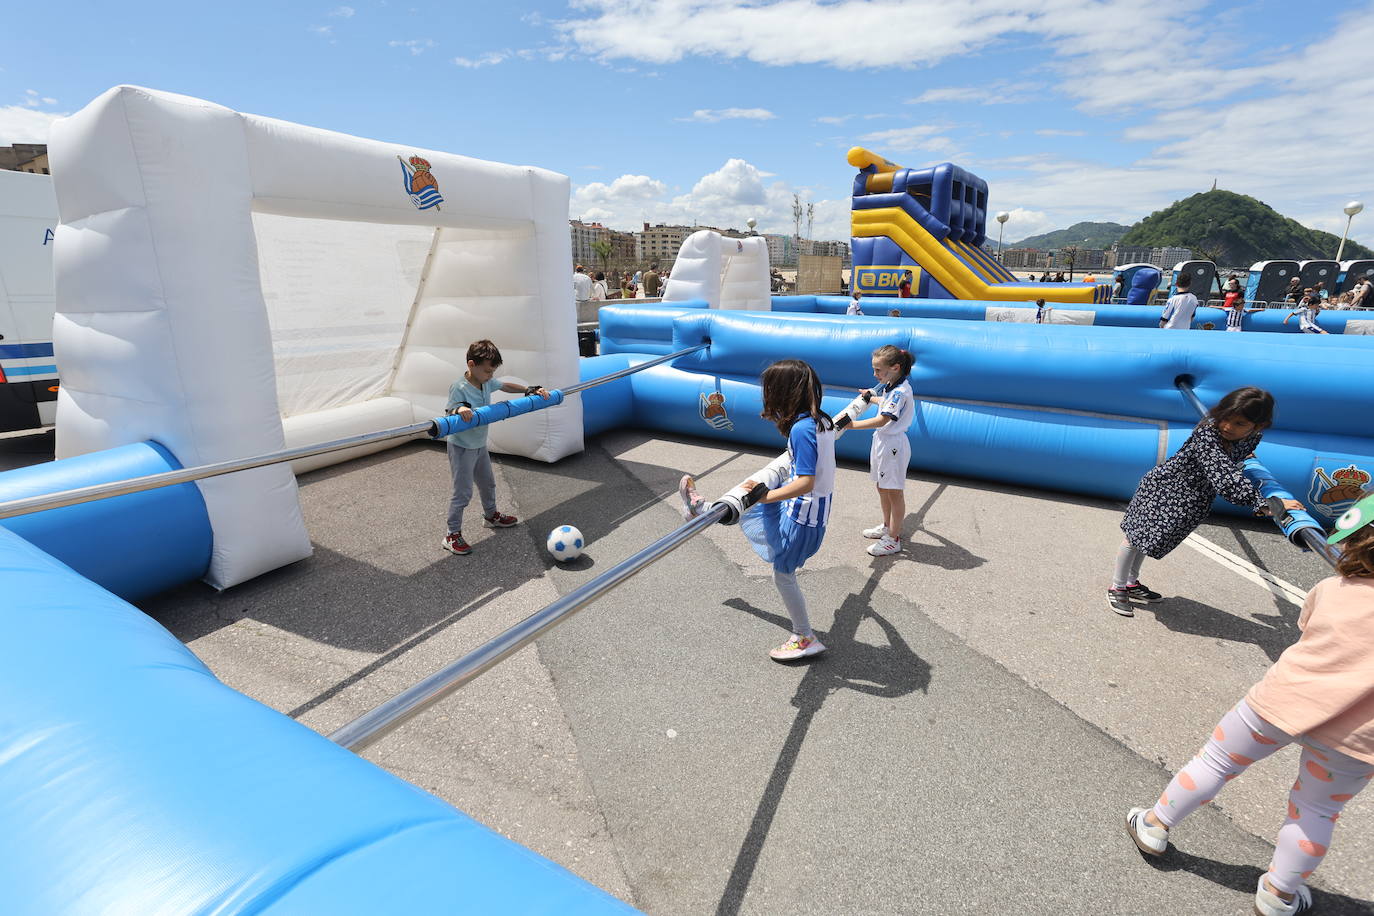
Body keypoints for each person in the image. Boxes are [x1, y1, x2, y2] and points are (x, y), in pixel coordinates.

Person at [1126, 490, 1374, 916]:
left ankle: (1154, 825)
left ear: (1351, 540)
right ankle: (1278, 895)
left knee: (1217, 761)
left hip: (1281, 700)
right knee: (1316, 810)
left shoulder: (1332, 588)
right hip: (1356, 735)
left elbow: (1306, 627)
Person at [678, 360, 837, 661]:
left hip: (802, 518)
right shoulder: (822, 421)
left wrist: (769, 496)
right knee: (751, 506)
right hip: (813, 516)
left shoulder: (802, 429)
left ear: (781, 393)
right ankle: (700, 510)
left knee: (783, 575)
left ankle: (804, 636)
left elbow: (806, 482)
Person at [1106, 387, 1301, 616]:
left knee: (1147, 541)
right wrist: (1271, 504)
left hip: (1190, 500)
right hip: (1165, 490)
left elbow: (1235, 459)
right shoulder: (1208, 434)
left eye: (1239, 424)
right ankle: (1117, 587)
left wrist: (1244, 456)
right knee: (1134, 539)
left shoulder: (1253, 437)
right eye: (1225, 419)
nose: (1228, 427)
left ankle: (1131, 582)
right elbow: (1225, 477)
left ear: (1257, 426)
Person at [442, 340, 550, 556]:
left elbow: (505, 385)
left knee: (488, 483)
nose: (490, 375)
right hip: (462, 447)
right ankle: (451, 534)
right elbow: (450, 410)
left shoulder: (486, 382)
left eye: (492, 371)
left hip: (479, 445)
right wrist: (461, 408)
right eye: (487, 371)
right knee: (463, 492)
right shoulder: (459, 387)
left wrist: (528, 389)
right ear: (471, 364)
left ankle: (491, 516)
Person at [846, 346, 916, 557]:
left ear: (895, 368)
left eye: (878, 370)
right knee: (881, 486)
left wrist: (852, 425)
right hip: (883, 442)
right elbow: (885, 403)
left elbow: (883, 418)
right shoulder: (892, 385)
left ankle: (893, 539)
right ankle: (887, 526)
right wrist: (870, 397)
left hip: (892, 445)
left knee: (894, 491)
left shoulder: (899, 392)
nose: (875, 375)